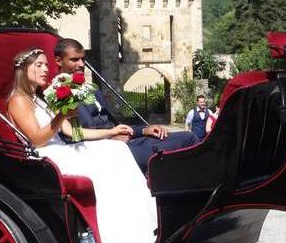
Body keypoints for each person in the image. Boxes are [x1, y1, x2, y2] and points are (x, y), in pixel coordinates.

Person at [6, 48, 156, 243]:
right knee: (105, 164)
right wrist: (61, 116)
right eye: (38, 65)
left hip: (63, 149)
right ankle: (112, 236)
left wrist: (110, 132)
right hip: (46, 158)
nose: (45, 70)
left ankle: (140, 226)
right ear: (24, 69)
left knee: (117, 149)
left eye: (46, 65)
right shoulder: (19, 100)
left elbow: (72, 132)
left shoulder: (40, 98)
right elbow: (37, 139)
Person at [54, 38, 197, 173]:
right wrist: (109, 137)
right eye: (74, 60)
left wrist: (144, 130)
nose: (81, 64)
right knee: (173, 152)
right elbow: (73, 134)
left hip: (123, 142)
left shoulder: (92, 89)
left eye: (83, 59)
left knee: (188, 137)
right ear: (59, 61)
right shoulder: (58, 93)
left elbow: (115, 124)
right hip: (102, 151)